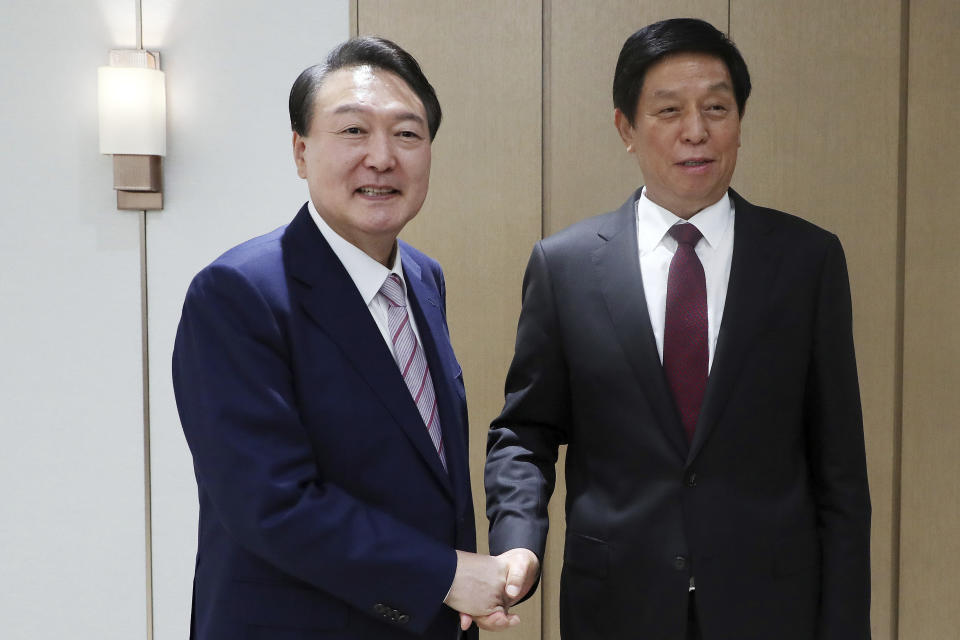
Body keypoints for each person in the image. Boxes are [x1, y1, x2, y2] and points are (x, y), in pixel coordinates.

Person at [484, 18, 871, 640]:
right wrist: (518, 542)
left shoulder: (806, 260)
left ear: (740, 120)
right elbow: (525, 432)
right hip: (615, 607)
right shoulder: (566, 267)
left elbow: (841, 472)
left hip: (771, 609)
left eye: (717, 107)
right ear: (626, 129)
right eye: (669, 110)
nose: (697, 131)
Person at [173, 36, 526, 639]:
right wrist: (442, 575)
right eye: (353, 131)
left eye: (407, 134)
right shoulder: (237, 293)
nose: (383, 157)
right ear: (301, 151)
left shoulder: (423, 276)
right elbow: (271, 504)